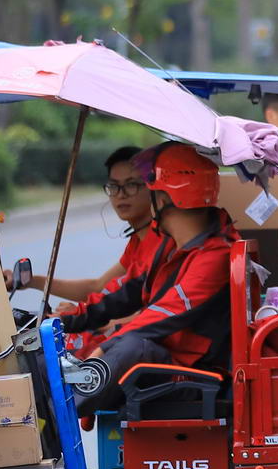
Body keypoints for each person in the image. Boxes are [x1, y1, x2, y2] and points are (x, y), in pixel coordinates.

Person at [60, 143, 242, 412]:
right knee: (56, 348)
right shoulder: (171, 246)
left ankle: (58, 415)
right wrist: (69, 320)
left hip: (193, 375)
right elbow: (123, 295)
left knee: (133, 347)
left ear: (165, 199)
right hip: (162, 359)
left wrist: (106, 346)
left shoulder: (214, 256)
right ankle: (37, 413)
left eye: (151, 191)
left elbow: (161, 314)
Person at [23, 146, 163, 305]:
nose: (121, 194)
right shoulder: (137, 241)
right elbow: (98, 287)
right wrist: (32, 281)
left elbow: (154, 310)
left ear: (153, 187)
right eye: (114, 186)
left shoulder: (162, 240)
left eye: (131, 185)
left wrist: (79, 316)